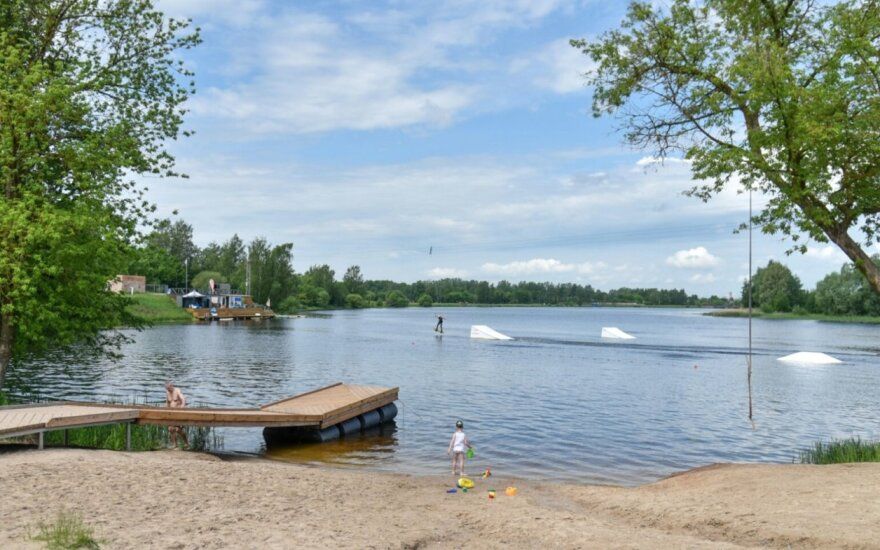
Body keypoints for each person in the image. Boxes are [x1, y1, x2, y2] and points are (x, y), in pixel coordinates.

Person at [164, 381, 189, 449]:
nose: (168, 390)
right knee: (170, 429)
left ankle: (186, 443)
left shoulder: (177, 391)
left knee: (178, 430)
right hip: (172, 414)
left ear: (172, 386)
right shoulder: (167, 393)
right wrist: (166, 411)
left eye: (169, 388)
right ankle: (175, 445)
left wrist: (182, 407)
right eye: (167, 389)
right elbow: (167, 403)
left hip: (179, 413)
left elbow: (183, 399)